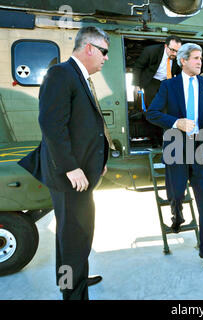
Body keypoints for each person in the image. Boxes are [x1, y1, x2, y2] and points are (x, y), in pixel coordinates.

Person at [18, 26, 113, 299]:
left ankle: (71, 279)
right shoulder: (61, 74)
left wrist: (100, 159)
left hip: (80, 175)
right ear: (89, 49)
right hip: (70, 178)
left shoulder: (79, 77)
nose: (106, 58)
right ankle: (74, 292)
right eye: (104, 52)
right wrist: (71, 167)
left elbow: (87, 125)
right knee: (75, 241)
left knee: (69, 240)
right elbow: (51, 125)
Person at [146, 43, 203, 272]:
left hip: (200, 150)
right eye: (196, 58)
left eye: (201, 58)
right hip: (175, 148)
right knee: (176, 192)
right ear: (183, 61)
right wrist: (176, 122)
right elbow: (152, 113)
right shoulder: (168, 86)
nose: (200, 62)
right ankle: (177, 213)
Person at [132, 36, 182, 147]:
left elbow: (180, 73)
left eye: (177, 51)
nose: (175, 53)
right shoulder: (151, 51)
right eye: (172, 50)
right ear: (165, 46)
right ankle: (155, 140)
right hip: (152, 82)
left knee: (168, 112)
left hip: (167, 83)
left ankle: (167, 140)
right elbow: (138, 67)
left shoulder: (179, 57)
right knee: (153, 111)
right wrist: (136, 85)